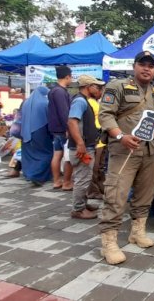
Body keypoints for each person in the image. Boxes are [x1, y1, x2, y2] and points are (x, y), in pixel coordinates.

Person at [98, 51, 154, 264]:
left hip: (149, 150)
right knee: (116, 193)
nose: (146, 68)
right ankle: (109, 242)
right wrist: (120, 135)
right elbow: (105, 114)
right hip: (123, 150)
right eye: (142, 64)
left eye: (151, 66)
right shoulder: (118, 86)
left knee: (145, 193)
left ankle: (137, 231)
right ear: (134, 66)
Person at [66, 75, 105, 219]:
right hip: (82, 148)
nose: (99, 89)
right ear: (89, 87)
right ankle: (78, 209)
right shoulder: (80, 101)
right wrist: (80, 143)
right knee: (83, 179)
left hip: (85, 146)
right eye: (97, 86)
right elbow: (72, 122)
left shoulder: (83, 101)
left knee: (84, 178)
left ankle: (83, 203)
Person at [21, 86, 53, 185]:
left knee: (29, 154)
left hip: (25, 132)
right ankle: (37, 176)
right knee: (45, 153)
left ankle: (29, 173)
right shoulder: (45, 103)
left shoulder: (26, 103)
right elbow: (49, 118)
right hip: (41, 132)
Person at [48, 66, 73, 190]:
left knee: (57, 154)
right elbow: (64, 113)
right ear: (67, 76)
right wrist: (69, 128)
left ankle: (57, 181)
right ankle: (66, 182)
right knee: (67, 156)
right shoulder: (60, 92)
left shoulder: (54, 90)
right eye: (71, 77)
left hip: (56, 128)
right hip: (62, 129)